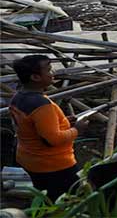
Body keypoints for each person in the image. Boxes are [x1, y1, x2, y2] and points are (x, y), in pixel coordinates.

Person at [10, 55, 89, 201]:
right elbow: (52, 139)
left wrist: (64, 121)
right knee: (67, 201)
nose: (53, 73)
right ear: (35, 77)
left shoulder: (18, 97)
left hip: (30, 160)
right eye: (49, 70)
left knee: (45, 198)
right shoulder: (41, 105)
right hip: (53, 166)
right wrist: (77, 129)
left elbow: (31, 127)